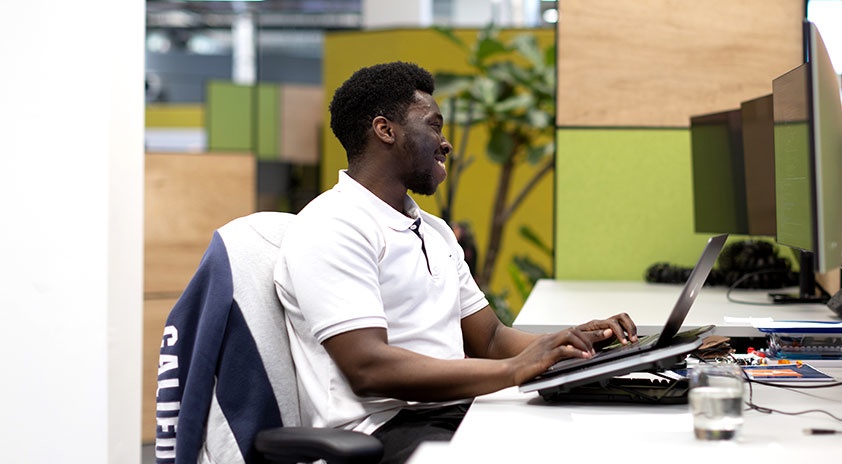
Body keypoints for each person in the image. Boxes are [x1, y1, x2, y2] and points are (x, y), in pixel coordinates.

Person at [274, 61, 638, 464]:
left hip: (450, 412)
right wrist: (515, 370)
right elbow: (368, 368)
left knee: (596, 438)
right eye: (433, 126)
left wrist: (573, 343)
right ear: (385, 130)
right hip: (381, 431)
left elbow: (491, 339)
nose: (445, 143)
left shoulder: (432, 230)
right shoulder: (333, 225)